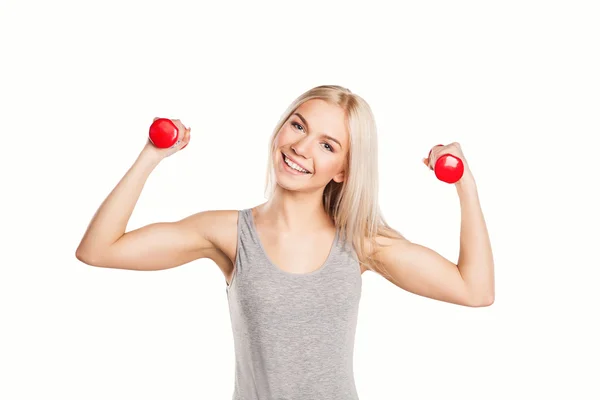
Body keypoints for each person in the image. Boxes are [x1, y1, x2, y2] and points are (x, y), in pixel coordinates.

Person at [76, 84, 495, 399]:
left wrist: (466, 186)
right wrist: (152, 153)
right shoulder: (229, 234)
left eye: (327, 145)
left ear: (343, 171)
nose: (299, 147)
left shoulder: (359, 243)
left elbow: (474, 290)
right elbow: (99, 249)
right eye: (298, 125)